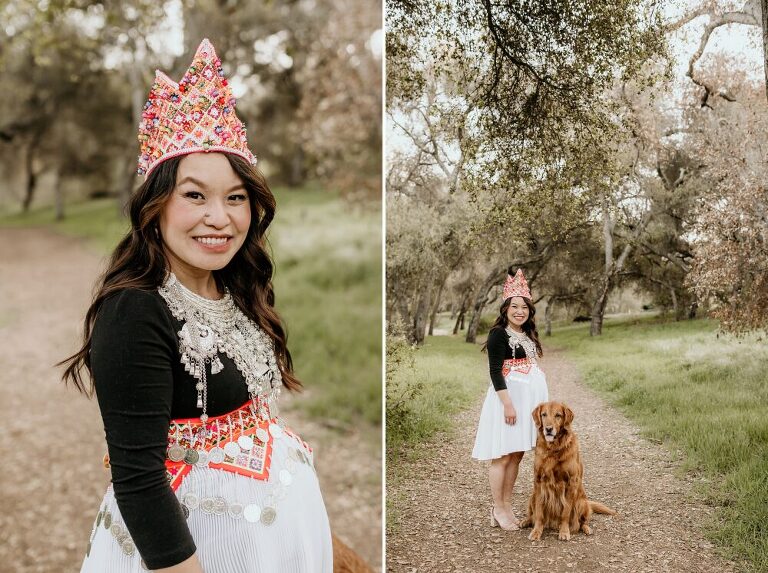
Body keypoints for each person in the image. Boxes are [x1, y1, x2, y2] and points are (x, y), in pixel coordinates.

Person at [60, 39, 332, 572]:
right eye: (194, 195)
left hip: (269, 535)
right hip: (196, 546)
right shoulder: (134, 310)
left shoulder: (235, 286)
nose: (220, 217)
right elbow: (137, 478)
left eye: (235, 197)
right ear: (154, 207)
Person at [471, 268, 549, 531]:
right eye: (514, 306)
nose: (520, 311)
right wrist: (507, 404)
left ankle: (506, 506)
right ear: (505, 309)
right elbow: (495, 372)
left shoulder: (527, 335)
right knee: (502, 456)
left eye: (524, 307)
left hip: (527, 403)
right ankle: (497, 507)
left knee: (516, 455)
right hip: (508, 402)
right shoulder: (498, 334)